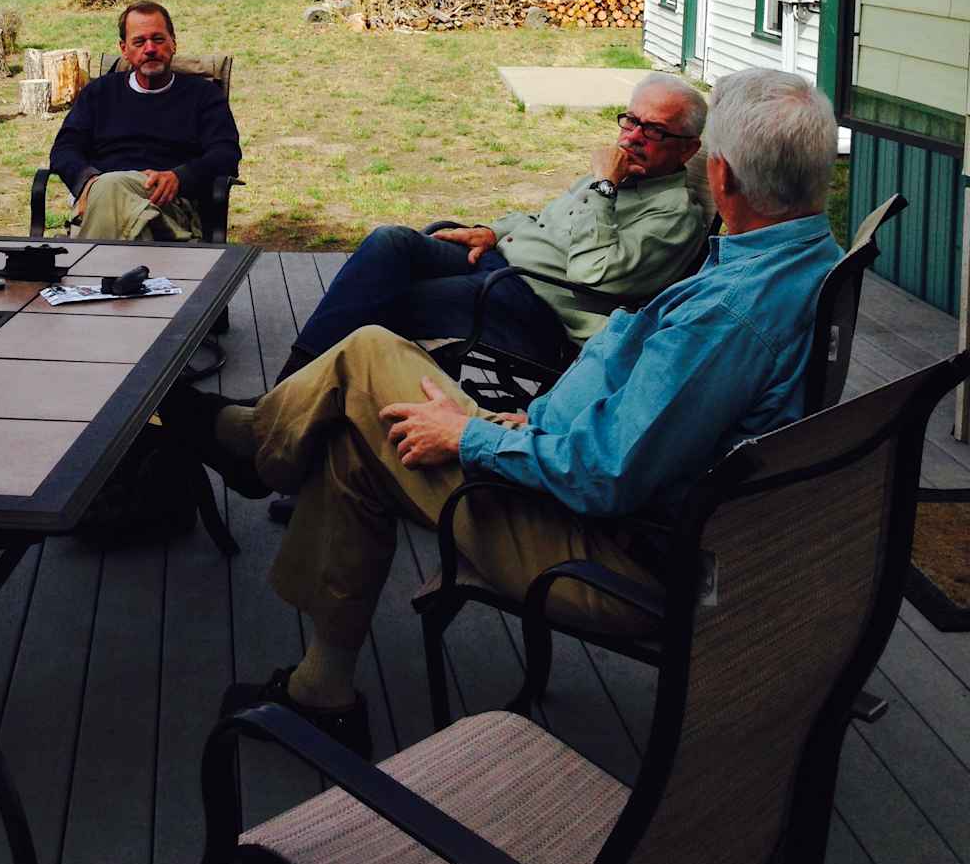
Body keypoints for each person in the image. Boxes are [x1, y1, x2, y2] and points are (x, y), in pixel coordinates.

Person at [163, 67, 842, 758]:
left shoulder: (727, 316)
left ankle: (254, 440)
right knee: (357, 437)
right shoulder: (802, 263)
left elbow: (605, 473)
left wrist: (472, 434)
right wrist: (525, 422)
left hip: (607, 553)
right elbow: (640, 431)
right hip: (590, 470)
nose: (633, 135)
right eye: (628, 121)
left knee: (368, 352)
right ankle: (321, 692)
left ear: (719, 173)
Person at [271, 72, 711, 386]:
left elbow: (592, 273)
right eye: (630, 120)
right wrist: (493, 231)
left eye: (652, 130)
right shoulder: (617, 178)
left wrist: (603, 187)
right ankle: (288, 397)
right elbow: (542, 220)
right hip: (499, 264)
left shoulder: (674, 217)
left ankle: (293, 428)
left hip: (538, 310)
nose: (632, 137)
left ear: (687, 149)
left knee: (378, 307)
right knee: (392, 244)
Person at [48, 1, 241, 242]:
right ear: (124, 49)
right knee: (113, 193)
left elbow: (226, 154)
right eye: (139, 42)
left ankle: (89, 273)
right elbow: (64, 149)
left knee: (111, 188)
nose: (150, 49)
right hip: (102, 201)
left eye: (158, 39)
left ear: (173, 43)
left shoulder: (202, 95)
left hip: (170, 208)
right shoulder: (99, 93)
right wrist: (88, 182)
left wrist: (180, 176)